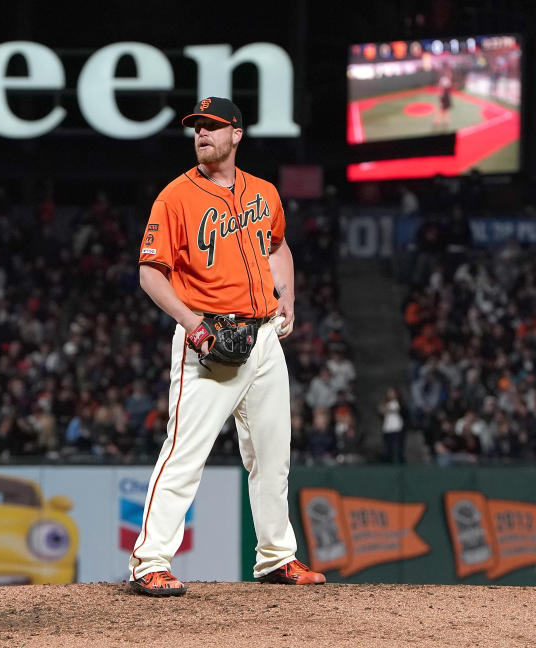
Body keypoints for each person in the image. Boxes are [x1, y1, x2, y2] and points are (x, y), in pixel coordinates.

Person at [128, 97, 325, 596]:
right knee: (185, 453)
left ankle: (277, 557)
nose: (202, 134)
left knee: (272, 455)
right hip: (209, 339)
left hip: (262, 339)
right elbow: (151, 271)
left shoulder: (263, 192)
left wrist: (289, 298)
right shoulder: (175, 198)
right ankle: (150, 559)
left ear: (237, 135)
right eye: (197, 127)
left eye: (213, 127)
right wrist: (192, 324)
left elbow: (277, 244)